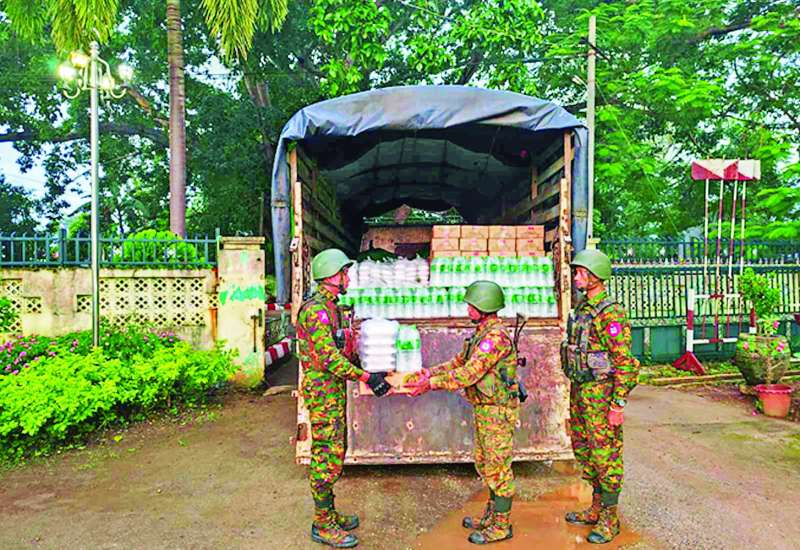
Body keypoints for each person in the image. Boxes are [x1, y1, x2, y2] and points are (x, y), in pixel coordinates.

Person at [405, 280, 521, 545]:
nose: (467, 309)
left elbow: (469, 373)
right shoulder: (481, 334)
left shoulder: (495, 338)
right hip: (485, 408)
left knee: (498, 468)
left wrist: (430, 384)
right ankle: (493, 515)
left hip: (497, 412)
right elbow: (459, 362)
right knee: (486, 464)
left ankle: (501, 525)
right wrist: (430, 372)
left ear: (484, 306)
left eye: (471, 305)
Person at [296, 248, 392, 548]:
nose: (348, 278)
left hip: (333, 389)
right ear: (330, 277)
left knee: (336, 450)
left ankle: (329, 513)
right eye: (344, 273)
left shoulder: (333, 307)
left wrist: (368, 368)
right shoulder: (316, 311)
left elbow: (342, 350)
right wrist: (365, 377)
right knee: (326, 454)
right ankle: (322, 523)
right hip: (322, 391)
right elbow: (329, 359)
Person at [561, 249, 640, 544]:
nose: (576, 277)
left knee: (606, 456)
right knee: (585, 451)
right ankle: (596, 507)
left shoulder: (611, 313)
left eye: (581, 272)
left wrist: (618, 404)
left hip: (601, 395)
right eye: (577, 272)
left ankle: (610, 518)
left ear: (596, 276)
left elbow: (624, 364)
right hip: (581, 391)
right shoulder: (583, 308)